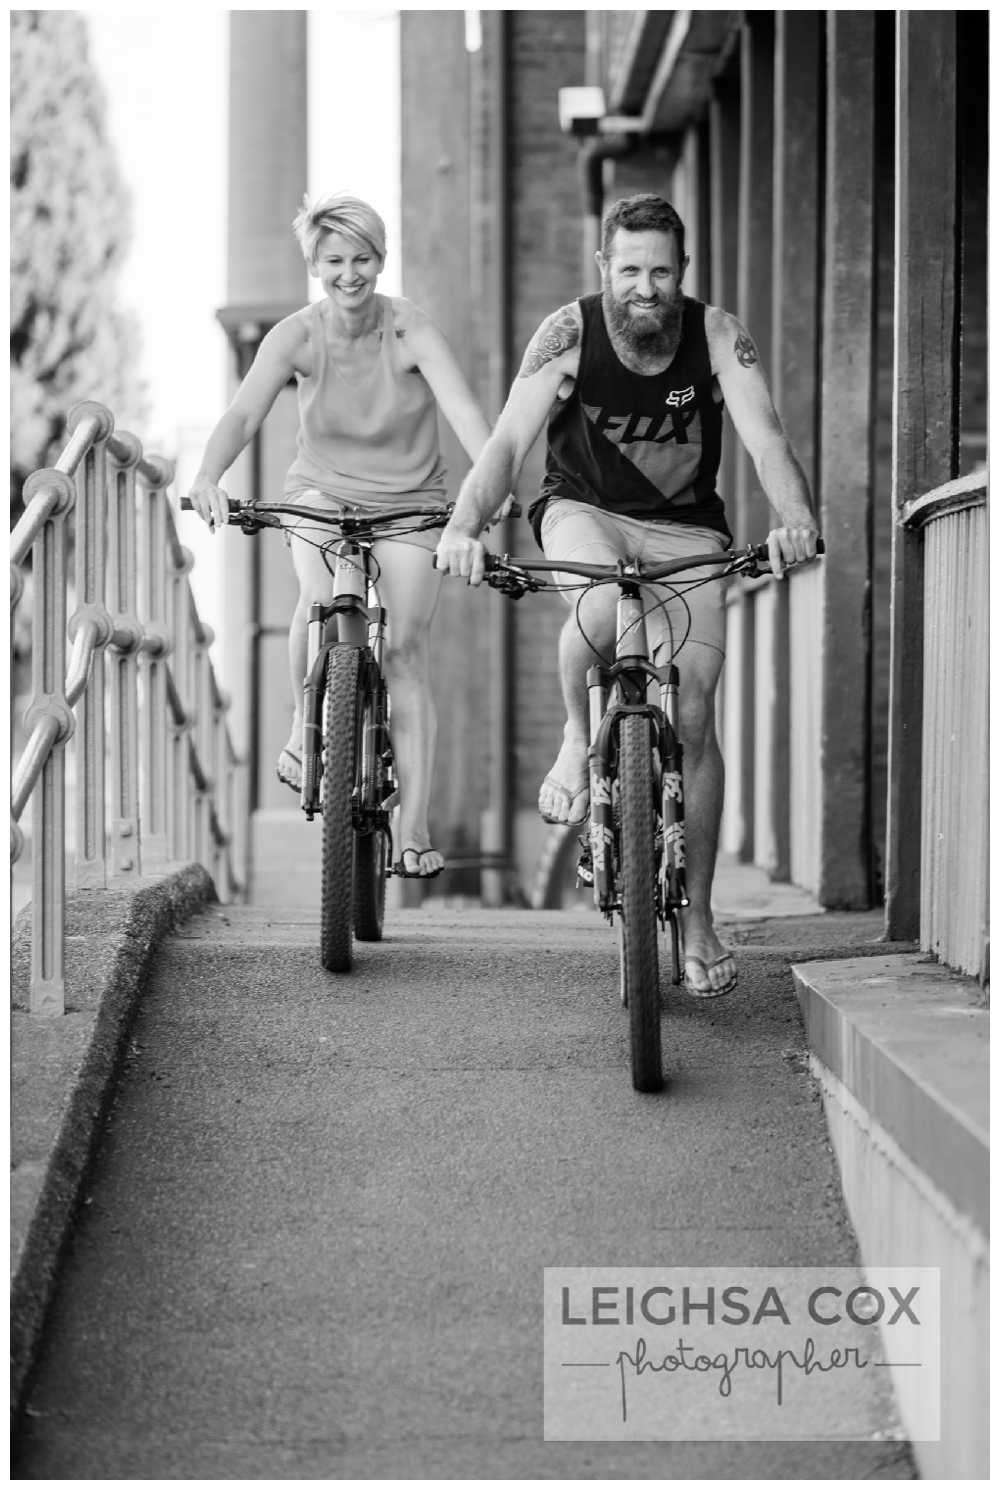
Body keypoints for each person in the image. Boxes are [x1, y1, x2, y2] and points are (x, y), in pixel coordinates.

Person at [434, 193, 819, 994]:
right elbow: (508, 439)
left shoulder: (716, 335)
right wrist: (465, 525)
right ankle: (579, 739)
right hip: (585, 514)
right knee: (605, 606)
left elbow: (765, 435)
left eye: (662, 271)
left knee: (701, 711)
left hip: (688, 535)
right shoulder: (568, 334)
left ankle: (702, 921)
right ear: (604, 267)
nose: (646, 287)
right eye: (631, 269)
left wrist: (794, 521)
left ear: (682, 273)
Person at [188, 191, 502, 878]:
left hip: (410, 502)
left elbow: (470, 417)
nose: (349, 274)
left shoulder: (411, 330)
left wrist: (486, 496)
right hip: (322, 492)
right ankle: (305, 733)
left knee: (409, 651)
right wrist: (209, 475)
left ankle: (412, 826)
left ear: (381, 260)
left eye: (363, 258)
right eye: (334, 260)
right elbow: (243, 415)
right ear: (315, 264)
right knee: (316, 595)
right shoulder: (297, 334)